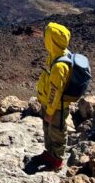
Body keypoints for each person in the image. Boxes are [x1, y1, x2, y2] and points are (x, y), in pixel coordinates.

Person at [26, 21, 77, 173]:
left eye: (47, 37)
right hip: (48, 104)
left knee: (57, 132)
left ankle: (57, 160)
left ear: (52, 41)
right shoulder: (55, 55)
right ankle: (49, 153)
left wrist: (50, 111)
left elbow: (56, 91)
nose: (44, 40)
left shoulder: (59, 66)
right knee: (48, 130)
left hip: (56, 109)